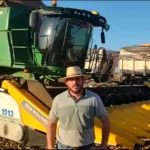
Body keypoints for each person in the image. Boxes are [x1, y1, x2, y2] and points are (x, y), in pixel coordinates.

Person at [46, 66, 110, 150]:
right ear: (66, 82)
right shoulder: (58, 99)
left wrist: (103, 145)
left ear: (83, 80)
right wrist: (50, 147)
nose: (75, 82)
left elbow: (106, 123)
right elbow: (51, 123)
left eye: (77, 79)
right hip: (63, 147)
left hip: (87, 147)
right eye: (71, 79)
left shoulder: (94, 99)